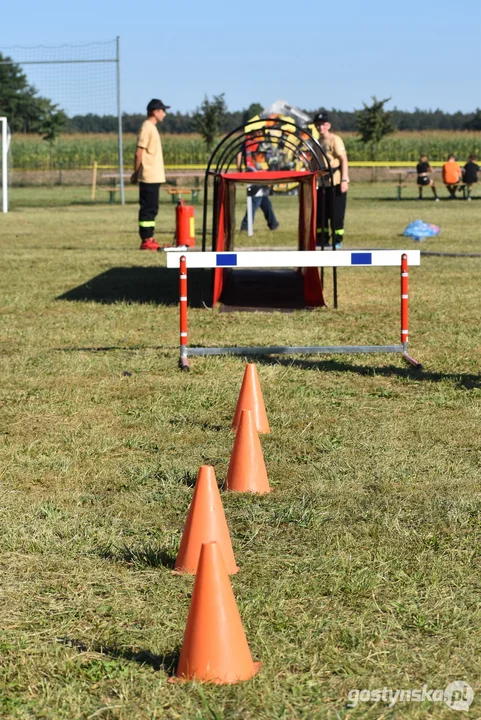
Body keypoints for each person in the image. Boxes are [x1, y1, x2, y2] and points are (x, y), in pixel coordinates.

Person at [131, 98, 169, 250]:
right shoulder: (146, 127)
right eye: (162, 111)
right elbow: (138, 152)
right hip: (148, 175)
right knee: (148, 209)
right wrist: (136, 172)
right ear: (155, 111)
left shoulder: (152, 128)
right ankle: (146, 239)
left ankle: (150, 237)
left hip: (154, 176)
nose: (164, 114)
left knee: (153, 208)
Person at [312, 111, 349, 248]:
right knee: (322, 213)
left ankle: (337, 239)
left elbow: (343, 159)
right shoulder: (317, 142)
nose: (320, 128)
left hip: (336, 181)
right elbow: (315, 162)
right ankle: (322, 238)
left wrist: (344, 179)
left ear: (328, 125)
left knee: (336, 213)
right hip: (322, 182)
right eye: (318, 125)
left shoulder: (335, 140)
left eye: (323, 125)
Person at [237, 129, 279, 232]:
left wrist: (240, 169)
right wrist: (239, 169)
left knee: (260, 200)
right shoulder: (262, 142)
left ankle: (271, 224)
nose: (260, 134)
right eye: (258, 132)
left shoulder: (248, 141)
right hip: (256, 175)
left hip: (259, 174)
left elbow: (239, 154)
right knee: (257, 200)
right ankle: (270, 224)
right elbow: (239, 155)